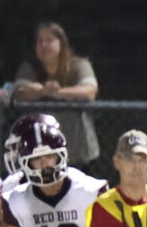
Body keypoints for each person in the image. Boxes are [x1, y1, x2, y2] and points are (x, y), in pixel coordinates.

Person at [11, 19, 100, 160]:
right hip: (38, 151)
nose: (43, 45)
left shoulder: (79, 64)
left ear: (62, 43)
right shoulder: (29, 67)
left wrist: (58, 92)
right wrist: (42, 91)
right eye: (40, 41)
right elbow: (20, 91)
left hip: (78, 148)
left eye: (49, 40)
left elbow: (90, 91)